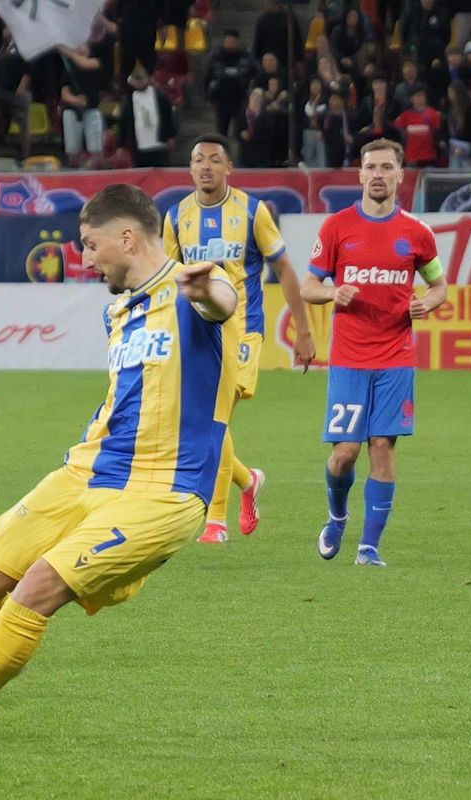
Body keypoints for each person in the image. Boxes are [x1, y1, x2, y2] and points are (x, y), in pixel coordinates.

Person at [0, 183, 239, 754]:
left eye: (90, 244)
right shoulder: (118, 310)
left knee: (36, 589)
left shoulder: (193, 286)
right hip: (88, 472)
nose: (85, 258)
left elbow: (220, 301)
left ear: (128, 237)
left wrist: (206, 290)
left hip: (163, 491)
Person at [300, 138, 447, 567]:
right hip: (349, 359)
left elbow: (439, 286)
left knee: (382, 445)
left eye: (386, 167)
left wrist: (427, 302)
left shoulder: (417, 233)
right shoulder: (337, 227)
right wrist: (333, 293)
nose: (378, 174)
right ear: (360, 174)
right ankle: (337, 516)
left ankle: (369, 548)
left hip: (396, 357)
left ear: (401, 174)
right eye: (371, 167)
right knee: (345, 453)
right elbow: (308, 286)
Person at [163, 134, 316, 544]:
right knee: (204, 421)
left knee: (217, 417)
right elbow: (168, 279)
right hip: (197, 331)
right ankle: (248, 481)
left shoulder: (252, 211)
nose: (206, 166)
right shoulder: (176, 216)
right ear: (190, 168)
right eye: (198, 160)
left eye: (215, 159)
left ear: (229, 167)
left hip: (243, 330)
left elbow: (285, 269)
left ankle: (216, 521)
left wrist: (303, 330)